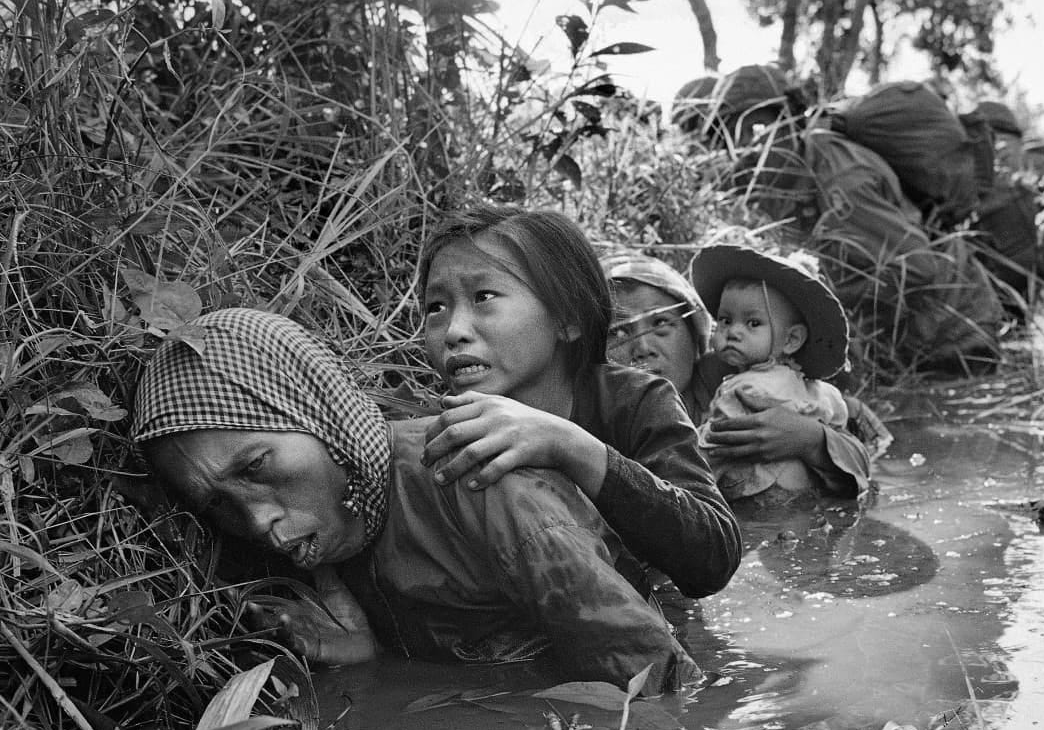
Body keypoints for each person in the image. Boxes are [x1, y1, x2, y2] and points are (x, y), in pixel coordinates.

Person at [130, 308, 698, 692]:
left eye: (256, 467)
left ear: (320, 414)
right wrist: (370, 655)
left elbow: (660, 688)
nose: (257, 521)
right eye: (218, 504)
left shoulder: (483, 487)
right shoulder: (324, 528)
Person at [417, 205, 740, 600]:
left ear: (567, 318)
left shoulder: (636, 402)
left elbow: (713, 557)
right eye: (436, 307)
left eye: (484, 296)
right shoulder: (433, 429)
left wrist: (570, 446)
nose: (453, 331)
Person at [675, 64, 1004, 375]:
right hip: (908, 343)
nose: (744, 148)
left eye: (754, 129)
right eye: (727, 137)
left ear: (788, 120)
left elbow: (916, 267)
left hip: (957, 332)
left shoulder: (842, 174)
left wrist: (811, 299)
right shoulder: (779, 180)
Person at [601, 252, 886, 498]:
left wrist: (810, 438)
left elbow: (861, 463)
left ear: (696, 334)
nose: (642, 348)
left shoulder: (745, 380)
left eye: (660, 323)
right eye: (618, 332)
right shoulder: (598, 417)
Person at [689, 243, 865, 502]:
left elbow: (706, 456)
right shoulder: (822, 393)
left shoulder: (742, 390)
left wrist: (810, 437)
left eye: (753, 323)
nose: (733, 332)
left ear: (792, 339)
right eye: (725, 320)